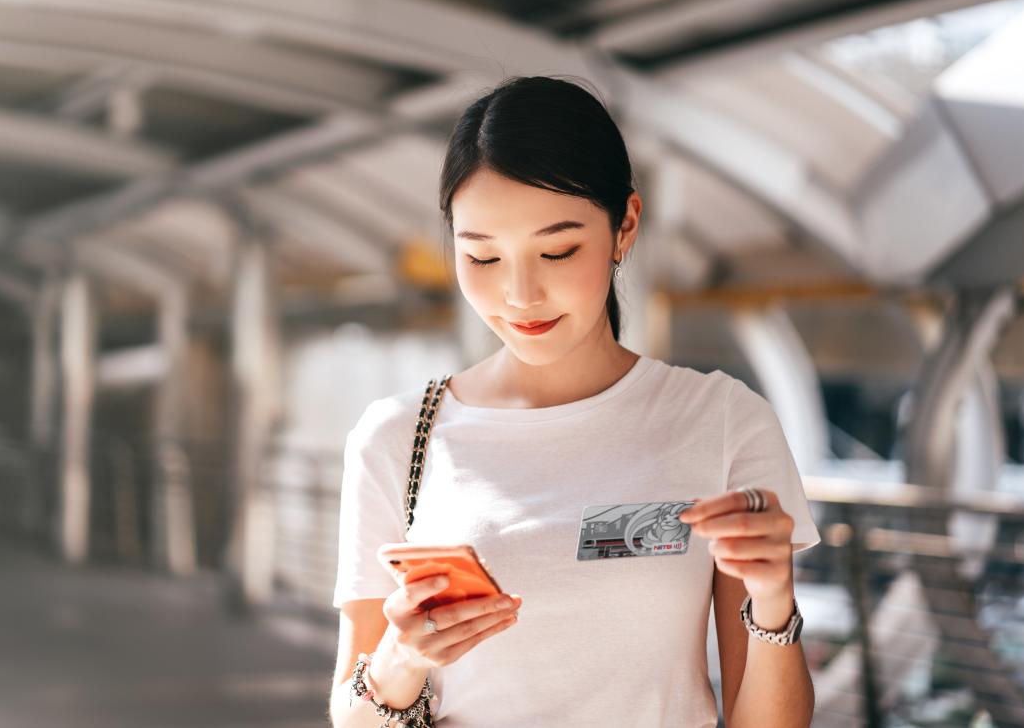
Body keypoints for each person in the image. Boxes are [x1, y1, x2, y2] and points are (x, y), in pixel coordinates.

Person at [329, 76, 821, 727]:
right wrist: (402, 660)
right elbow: (352, 712)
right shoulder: (396, 437)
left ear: (625, 227)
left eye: (558, 250)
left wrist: (773, 600)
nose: (519, 294)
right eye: (481, 258)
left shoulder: (722, 421)